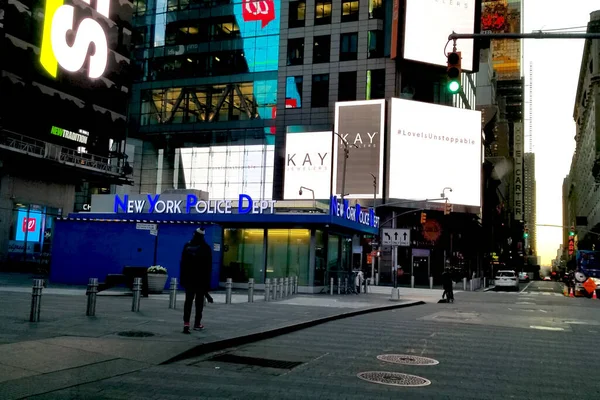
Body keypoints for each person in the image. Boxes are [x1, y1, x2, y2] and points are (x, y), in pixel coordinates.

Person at [180, 227, 213, 334]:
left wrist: (183, 279)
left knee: (188, 301)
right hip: (200, 280)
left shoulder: (187, 246)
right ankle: (197, 323)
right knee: (199, 303)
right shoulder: (206, 248)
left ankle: (186, 324)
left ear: (194, 234)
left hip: (189, 279)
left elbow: (183, 264)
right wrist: (207, 286)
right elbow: (208, 268)